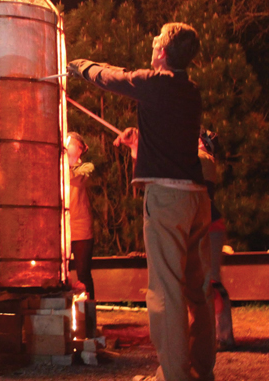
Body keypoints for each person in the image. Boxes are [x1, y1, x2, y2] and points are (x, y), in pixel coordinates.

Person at [69, 22, 215, 381]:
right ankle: (200, 370)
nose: (151, 48)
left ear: (162, 52)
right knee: (196, 289)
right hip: (196, 197)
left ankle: (174, 376)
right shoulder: (189, 91)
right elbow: (172, 140)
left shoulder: (155, 83)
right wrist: (141, 144)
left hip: (168, 199)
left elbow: (112, 76)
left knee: (165, 292)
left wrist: (80, 65)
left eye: (155, 43)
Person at [198, 129, 235, 351]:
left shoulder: (204, 160)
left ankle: (224, 335)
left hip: (210, 226)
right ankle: (213, 333)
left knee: (212, 281)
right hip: (205, 226)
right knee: (204, 282)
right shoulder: (199, 159)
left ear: (204, 144)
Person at [66, 132, 96, 300]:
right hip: (62, 227)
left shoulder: (87, 167)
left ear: (81, 149)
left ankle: (89, 314)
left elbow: (76, 179)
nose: (68, 147)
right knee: (61, 274)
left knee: (83, 273)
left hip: (81, 227)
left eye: (72, 144)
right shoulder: (56, 166)